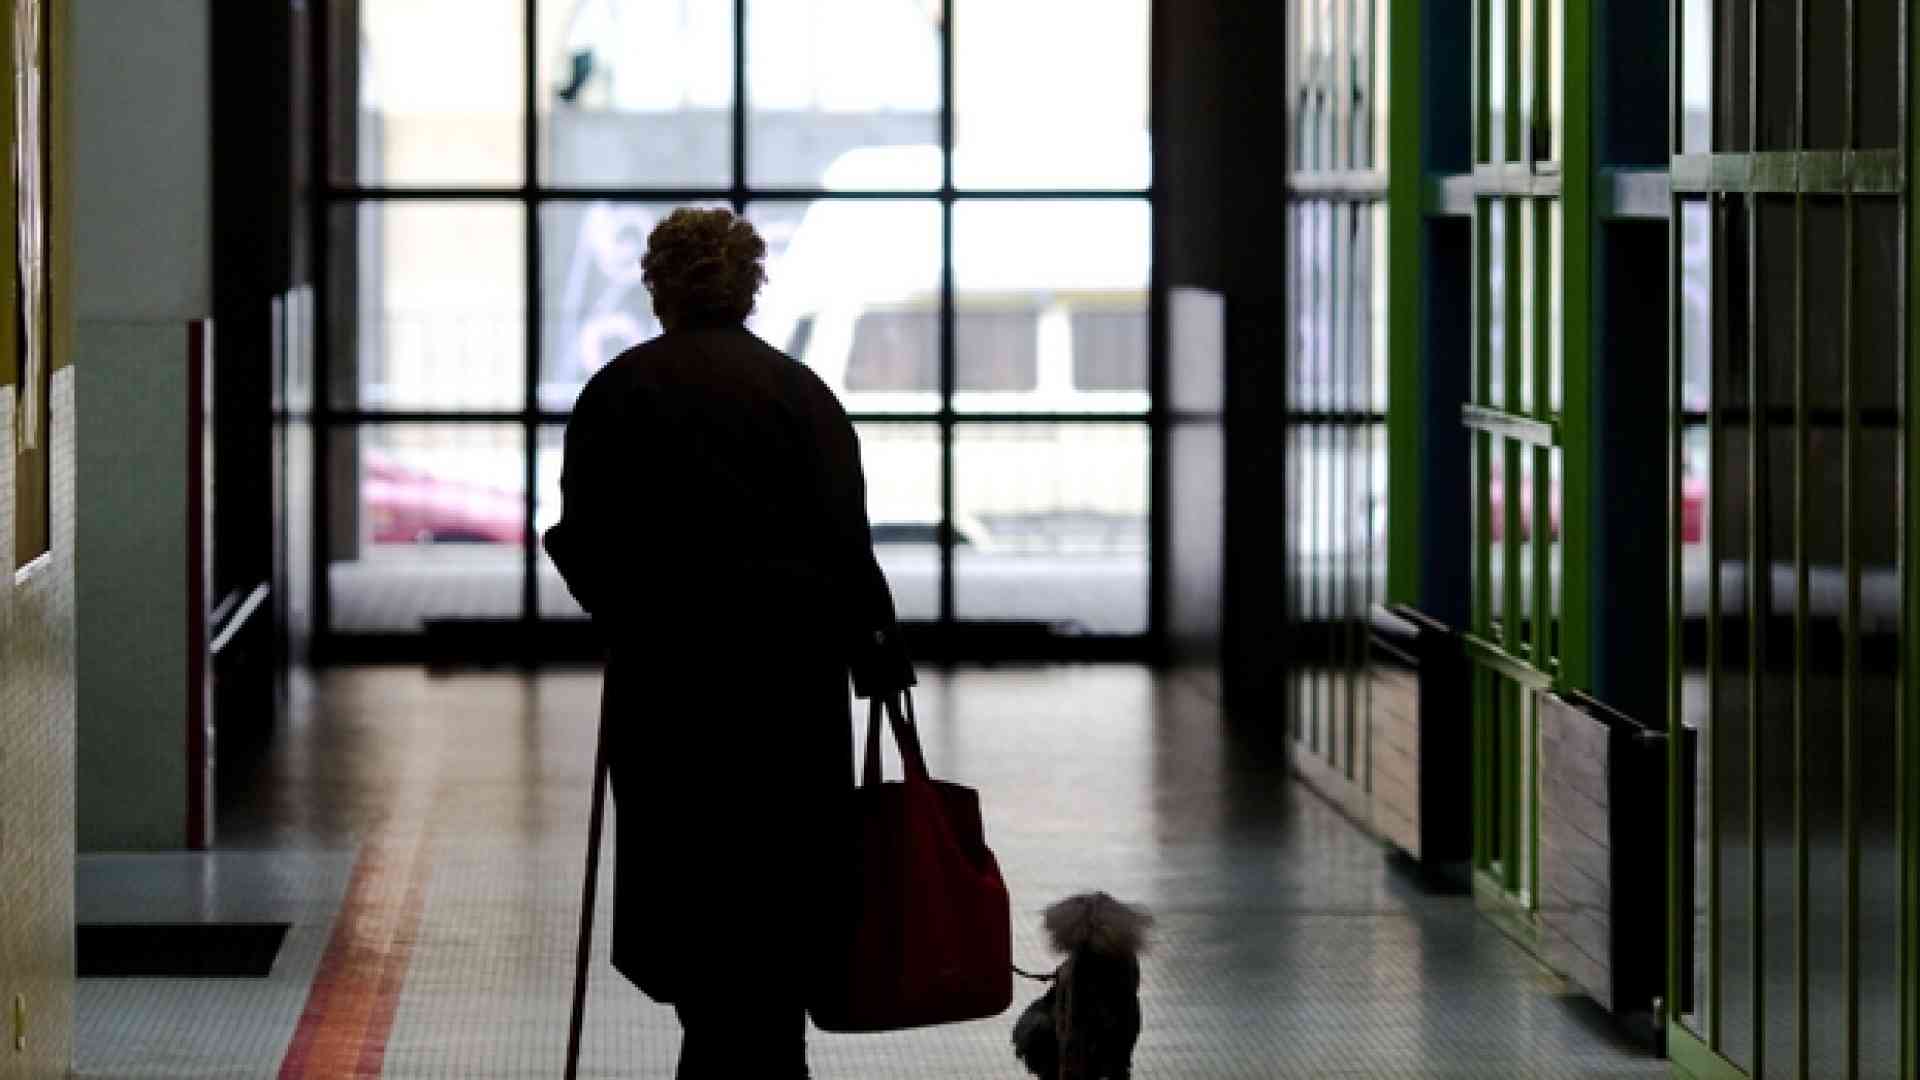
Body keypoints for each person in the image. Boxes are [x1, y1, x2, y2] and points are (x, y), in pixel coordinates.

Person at [545, 207, 915, 1079]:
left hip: (668, 688)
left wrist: (629, 613)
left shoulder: (619, 390)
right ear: (751, 286)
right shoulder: (799, 393)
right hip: (789, 692)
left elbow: (581, 540)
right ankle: (769, 1055)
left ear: (657, 286)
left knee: (691, 896)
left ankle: (718, 1049)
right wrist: (876, 654)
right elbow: (845, 543)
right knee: (780, 902)